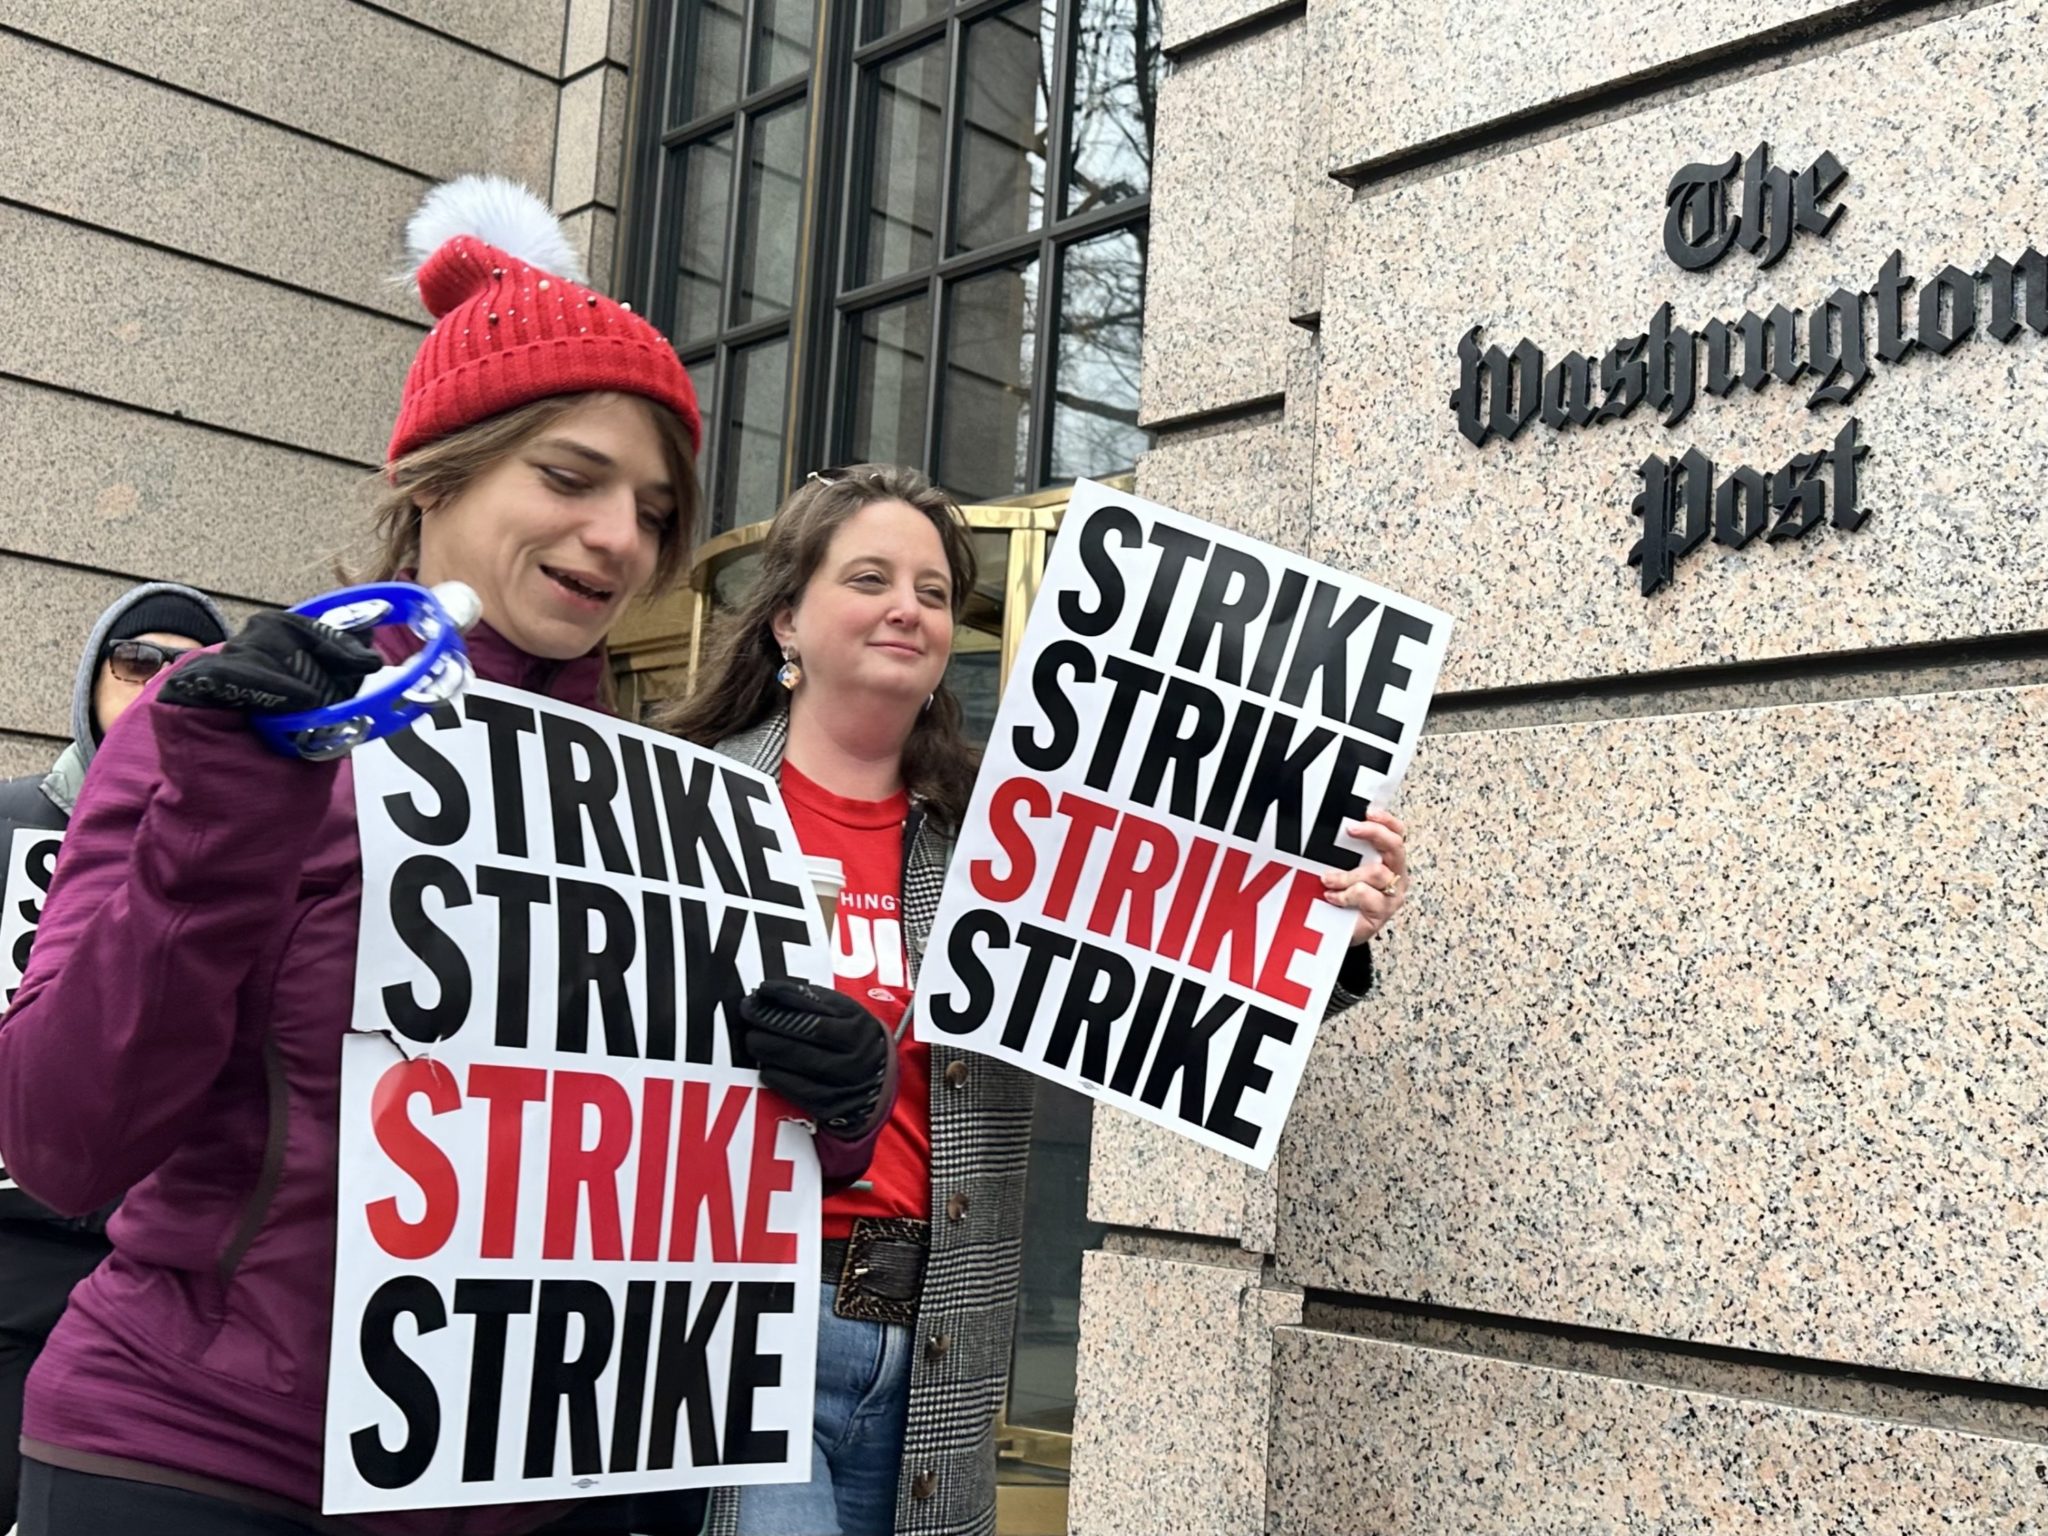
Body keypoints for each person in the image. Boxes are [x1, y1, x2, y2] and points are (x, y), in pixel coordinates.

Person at [0, 177, 891, 1536]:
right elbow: (64, 1140)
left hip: (538, 1481)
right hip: (207, 1465)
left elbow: (660, 1169)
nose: (619, 539)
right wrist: (226, 813)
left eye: (653, 507)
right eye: (570, 477)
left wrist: (822, 1104)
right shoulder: (232, 729)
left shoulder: (675, 810)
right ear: (438, 472)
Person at [666, 464, 1413, 1536]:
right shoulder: (681, 797)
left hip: (940, 1344)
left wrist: (1322, 928)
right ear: (786, 615)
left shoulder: (1007, 833)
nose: (906, 609)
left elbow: (1183, 978)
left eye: (932, 590)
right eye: (869, 578)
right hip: (737, 1323)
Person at [0, 581, 230, 1529]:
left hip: (154, 1254)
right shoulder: (11, 814)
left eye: (185, 666)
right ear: (93, 674)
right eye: (137, 662)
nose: (154, 685)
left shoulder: (249, 831)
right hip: (14, 1239)